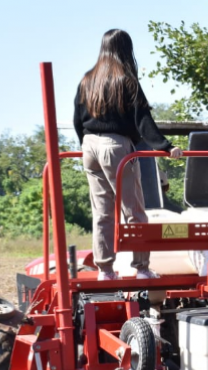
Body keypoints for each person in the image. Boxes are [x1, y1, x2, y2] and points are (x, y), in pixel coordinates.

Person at [74, 29, 183, 281]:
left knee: (102, 212)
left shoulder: (87, 79)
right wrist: (165, 147)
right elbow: (142, 118)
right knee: (134, 210)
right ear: (126, 50)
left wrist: (85, 145)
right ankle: (142, 268)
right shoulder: (126, 79)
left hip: (89, 146)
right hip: (116, 147)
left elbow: (77, 119)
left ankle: (105, 271)